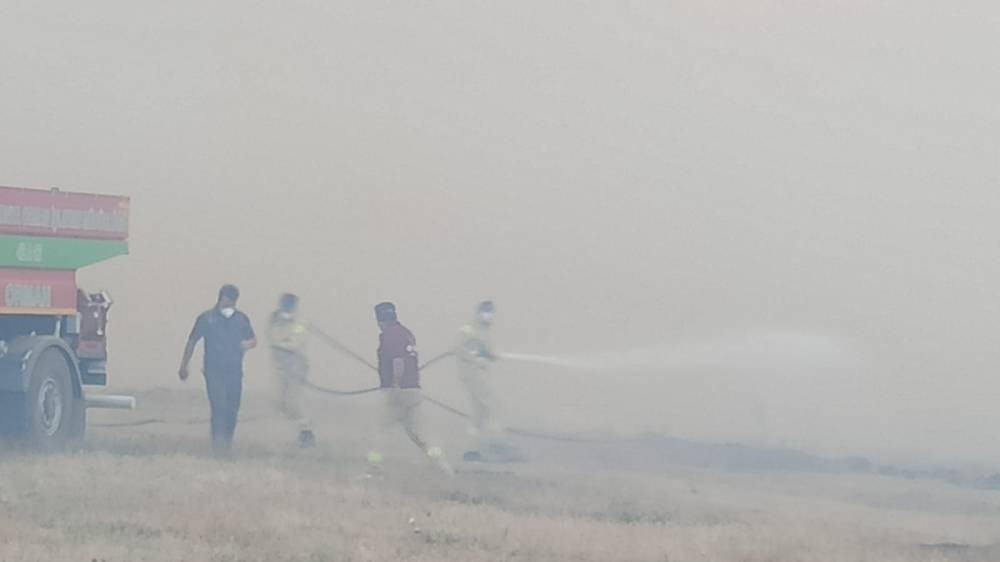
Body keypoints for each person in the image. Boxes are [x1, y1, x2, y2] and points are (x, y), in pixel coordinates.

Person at [370, 301, 451, 475]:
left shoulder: (389, 336)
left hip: (398, 392)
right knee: (420, 434)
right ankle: (443, 467)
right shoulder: (406, 334)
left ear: (380, 320)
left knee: (380, 431)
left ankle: (374, 468)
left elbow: (397, 361)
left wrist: (395, 383)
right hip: (414, 390)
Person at [179, 284, 257, 454]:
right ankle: (217, 444)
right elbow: (192, 341)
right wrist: (184, 365)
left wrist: (247, 344)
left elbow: (253, 339)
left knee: (232, 408)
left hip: (234, 370)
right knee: (219, 405)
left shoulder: (241, 319)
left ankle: (227, 442)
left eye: (232, 299)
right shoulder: (206, 318)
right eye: (227, 298)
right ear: (220, 298)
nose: (229, 302)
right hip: (214, 370)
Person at [457, 300, 516, 462]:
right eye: (486, 312)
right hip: (473, 375)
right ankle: (497, 445)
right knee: (493, 407)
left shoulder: (483, 331)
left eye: (491, 312)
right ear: (478, 313)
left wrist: (489, 354)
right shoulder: (472, 330)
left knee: (479, 415)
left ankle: (472, 449)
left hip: (476, 375)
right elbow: (467, 350)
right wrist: (482, 355)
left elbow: (484, 351)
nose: (488, 315)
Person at [267, 293, 315, 448]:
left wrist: (280, 344)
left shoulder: (300, 323)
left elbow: (296, 344)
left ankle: (306, 432)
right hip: (281, 368)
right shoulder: (275, 321)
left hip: (296, 367)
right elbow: (272, 338)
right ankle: (296, 430)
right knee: (281, 404)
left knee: (294, 402)